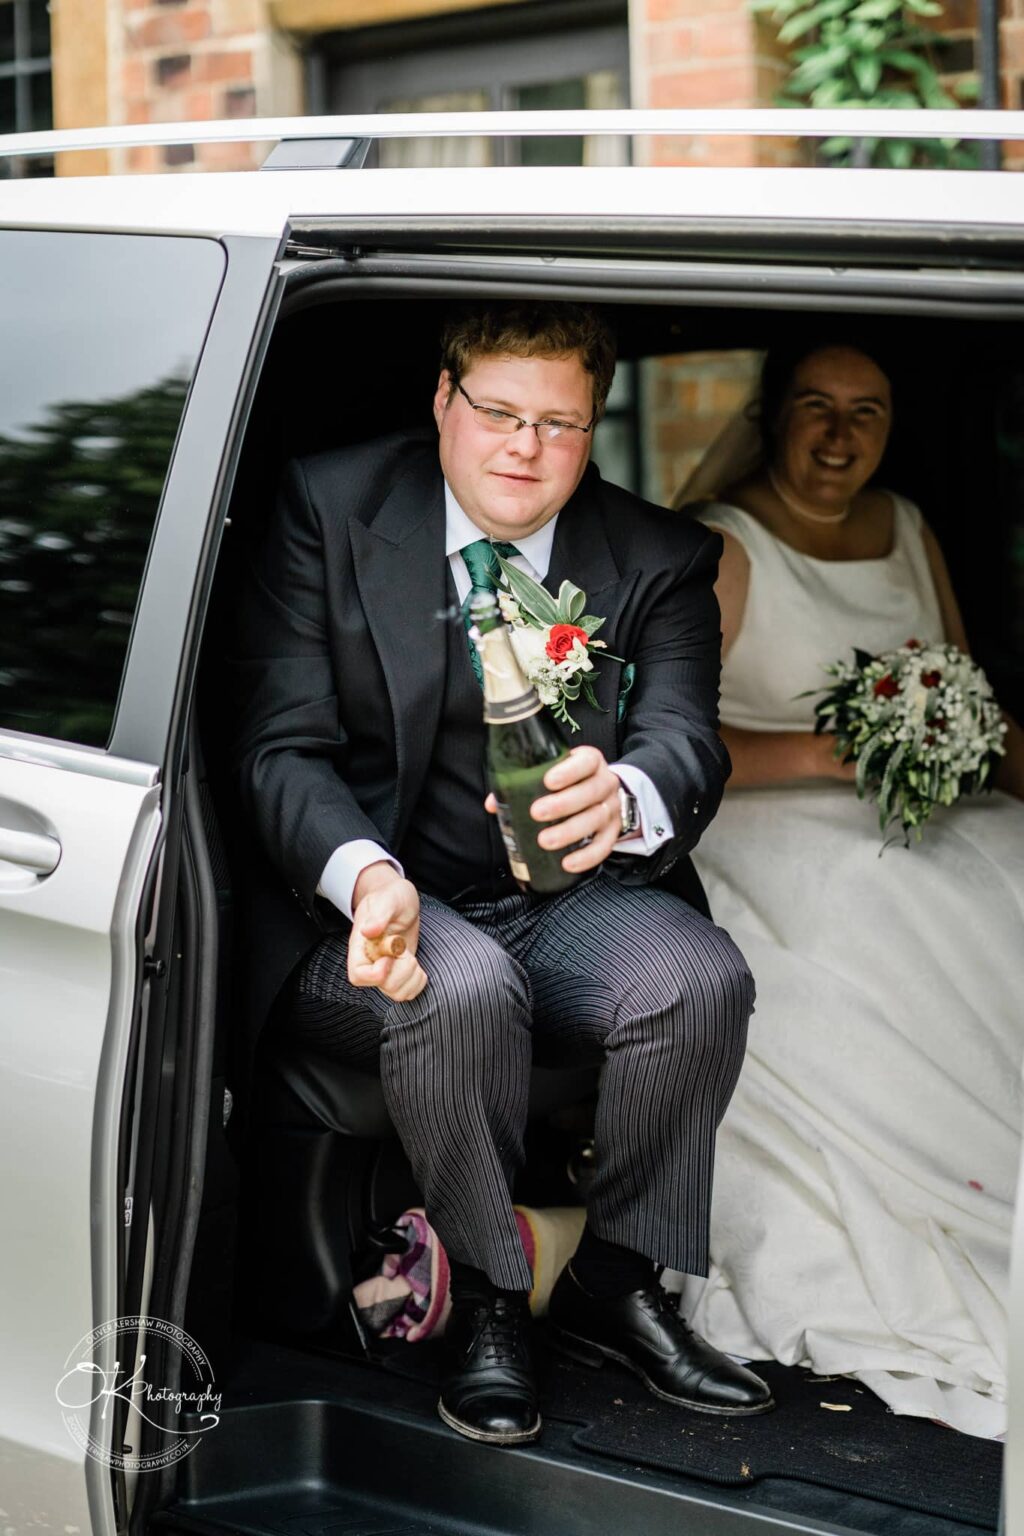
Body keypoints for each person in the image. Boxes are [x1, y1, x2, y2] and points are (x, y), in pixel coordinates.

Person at [229, 302, 772, 1448]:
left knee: (698, 980)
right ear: (443, 400)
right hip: (367, 910)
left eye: (558, 424)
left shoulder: (660, 555)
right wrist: (365, 879)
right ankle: (488, 1296)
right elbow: (280, 748)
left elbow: (685, 742)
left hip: (562, 900)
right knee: (462, 986)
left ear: (593, 425)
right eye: (498, 413)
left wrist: (623, 797)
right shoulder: (328, 504)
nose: (525, 448)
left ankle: (613, 1279)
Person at [676, 341, 1024, 1438]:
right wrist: (828, 756)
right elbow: (676, 741)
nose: (838, 436)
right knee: (889, 894)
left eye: (865, 412)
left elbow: (964, 687)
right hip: (766, 816)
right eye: (816, 408)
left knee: (1007, 859)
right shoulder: (728, 543)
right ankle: (945, 1185)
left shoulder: (907, 524)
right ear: (775, 416)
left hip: (906, 804)